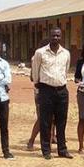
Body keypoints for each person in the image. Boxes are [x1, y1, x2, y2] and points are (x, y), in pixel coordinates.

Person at [31, 28, 72, 159]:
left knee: (62, 121)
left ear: (61, 37)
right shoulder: (40, 53)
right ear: (50, 36)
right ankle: (46, 150)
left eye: (58, 36)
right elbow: (35, 72)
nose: (55, 38)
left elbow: (65, 71)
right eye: (53, 35)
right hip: (45, 90)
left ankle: (62, 150)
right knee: (45, 121)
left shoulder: (66, 53)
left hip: (61, 90)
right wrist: (38, 87)